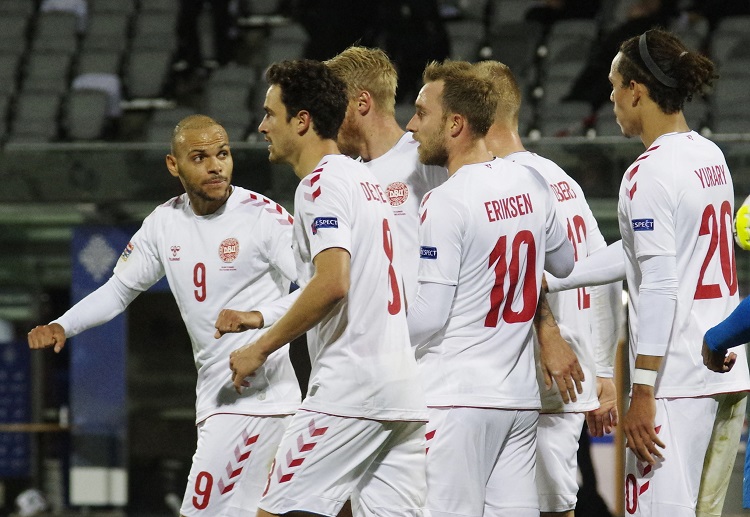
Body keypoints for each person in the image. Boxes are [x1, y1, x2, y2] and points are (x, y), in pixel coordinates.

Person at [27, 115, 302, 516]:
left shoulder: (264, 218)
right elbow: (120, 289)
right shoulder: (164, 223)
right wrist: (62, 325)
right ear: (174, 165)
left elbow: (316, 290)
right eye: (200, 157)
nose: (215, 166)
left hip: (259, 401)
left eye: (222, 154)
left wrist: (256, 316)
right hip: (215, 399)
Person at [229, 59, 428, 517]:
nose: (261, 127)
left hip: (350, 388)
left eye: (270, 115)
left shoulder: (319, 186)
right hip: (401, 390)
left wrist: (260, 348)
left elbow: (333, 282)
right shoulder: (364, 180)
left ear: (302, 121)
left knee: (273, 512)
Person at [404, 59, 575, 517]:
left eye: (422, 113)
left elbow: (427, 318)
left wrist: (368, 330)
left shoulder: (446, 200)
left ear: (456, 124)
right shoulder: (531, 181)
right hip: (517, 403)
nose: (411, 125)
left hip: (456, 398)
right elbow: (564, 261)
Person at [606, 28, 750, 516]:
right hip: (726, 374)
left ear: (636, 91)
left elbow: (663, 283)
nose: (610, 98)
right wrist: (557, 275)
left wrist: (642, 391)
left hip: (675, 384)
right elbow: (652, 254)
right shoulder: (710, 154)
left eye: (613, 85)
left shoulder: (646, 174)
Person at [474, 59, 622, 517]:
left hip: (536, 376)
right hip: (566, 378)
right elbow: (602, 279)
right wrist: (603, 373)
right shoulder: (563, 180)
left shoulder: (504, 185)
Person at [324, 45, 447, 306]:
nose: (326, 120)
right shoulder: (347, 175)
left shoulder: (423, 161)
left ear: (362, 103)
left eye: (333, 107)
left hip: (426, 341)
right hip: (376, 341)